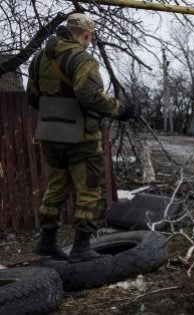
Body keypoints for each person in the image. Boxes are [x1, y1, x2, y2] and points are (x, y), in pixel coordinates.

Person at [26, 13, 136, 262]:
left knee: (55, 189)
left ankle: (46, 243)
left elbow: (32, 98)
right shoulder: (82, 59)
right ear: (87, 34)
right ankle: (81, 249)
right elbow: (90, 96)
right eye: (90, 36)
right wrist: (121, 110)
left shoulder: (38, 59)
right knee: (89, 190)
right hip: (81, 139)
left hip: (50, 135)